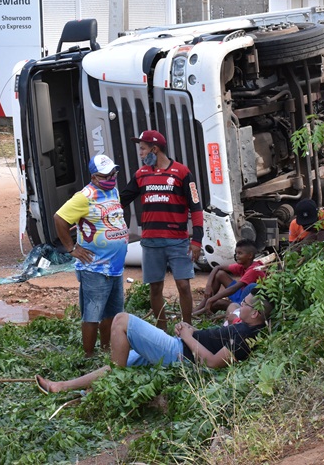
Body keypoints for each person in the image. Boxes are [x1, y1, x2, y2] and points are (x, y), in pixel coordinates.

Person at [34, 290, 273, 394]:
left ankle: (115, 383)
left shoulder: (246, 338)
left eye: (246, 305)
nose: (241, 305)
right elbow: (213, 342)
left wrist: (188, 337)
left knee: (122, 320)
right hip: (181, 345)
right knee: (123, 360)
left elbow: (211, 363)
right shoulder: (245, 327)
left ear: (255, 314)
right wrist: (192, 330)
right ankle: (61, 386)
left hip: (180, 355)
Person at [120, 130, 203, 330]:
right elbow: (121, 201)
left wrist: (197, 241)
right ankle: (162, 331)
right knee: (155, 288)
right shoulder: (141, 174)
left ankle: (187, 330)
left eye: (143, 149)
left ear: (155, 150)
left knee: (183, 286)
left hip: (178, 241)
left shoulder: (183, 173)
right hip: (150, 242)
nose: (140, 154)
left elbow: (196, 207)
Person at [54, 154, 129, 357]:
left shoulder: (113, 191)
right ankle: (88, 355)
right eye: (106, 175)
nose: (112, 177)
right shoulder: (84, 197)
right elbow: (59, 218)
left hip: (115, 266)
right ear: (94, 177)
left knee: (112, 314)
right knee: (93, 314)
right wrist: (71, 249)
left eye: (114, 173)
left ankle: (105, 350)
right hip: (94, 267)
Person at [193, 239, 266, 316]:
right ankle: (200, 308)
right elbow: (217, 267)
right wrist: (208, 286)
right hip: (241, 293)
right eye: (236, 253)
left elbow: (234, 288)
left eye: (240, 253)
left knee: (217, 303)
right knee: (220, 274)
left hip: (248, 302)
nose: (237, 256)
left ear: (250, 255)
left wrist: (211, 299)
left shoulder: (254, 269)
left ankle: (200, 312)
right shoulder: (243, 265)